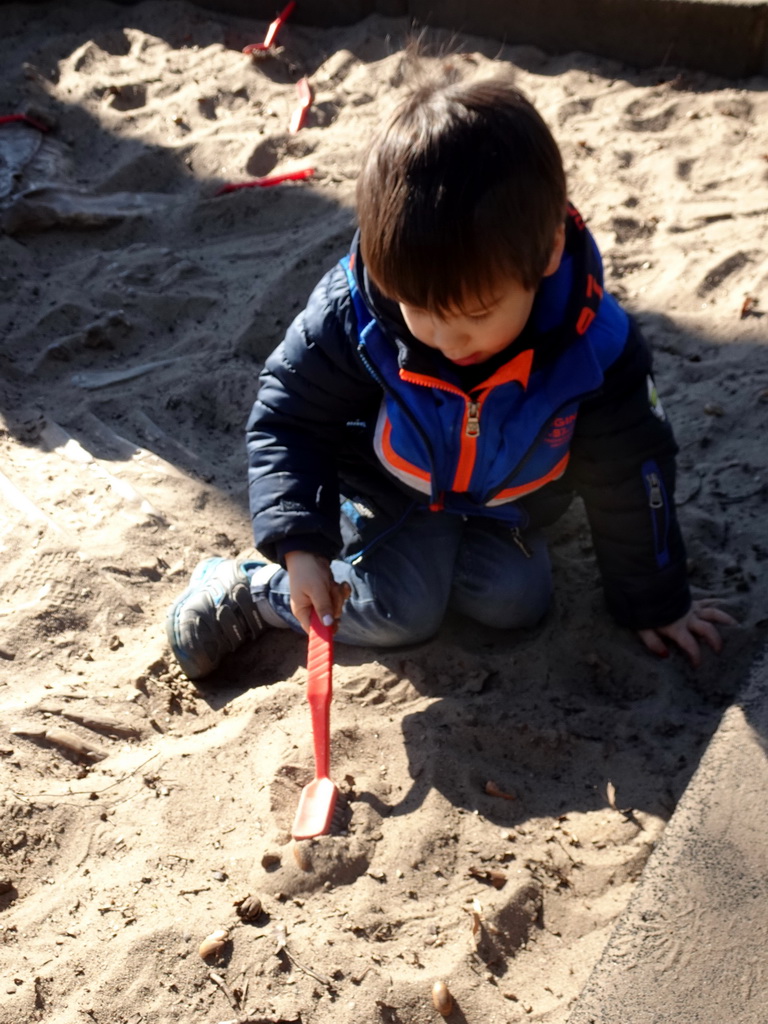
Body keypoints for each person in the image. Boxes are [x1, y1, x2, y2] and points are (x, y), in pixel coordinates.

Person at [166, 66, 733, 682]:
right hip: (385, 484)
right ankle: (249, 592)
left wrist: (656, 602)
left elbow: (633, 469)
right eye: (420, 311)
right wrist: (300, 546)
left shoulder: (595, 347)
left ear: (544, 255)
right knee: (402, 612)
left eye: (475, 315)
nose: (444, 337)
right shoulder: (355, 314)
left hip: (501, 504)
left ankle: (428, 557)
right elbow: (288, 419)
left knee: (516, 602)